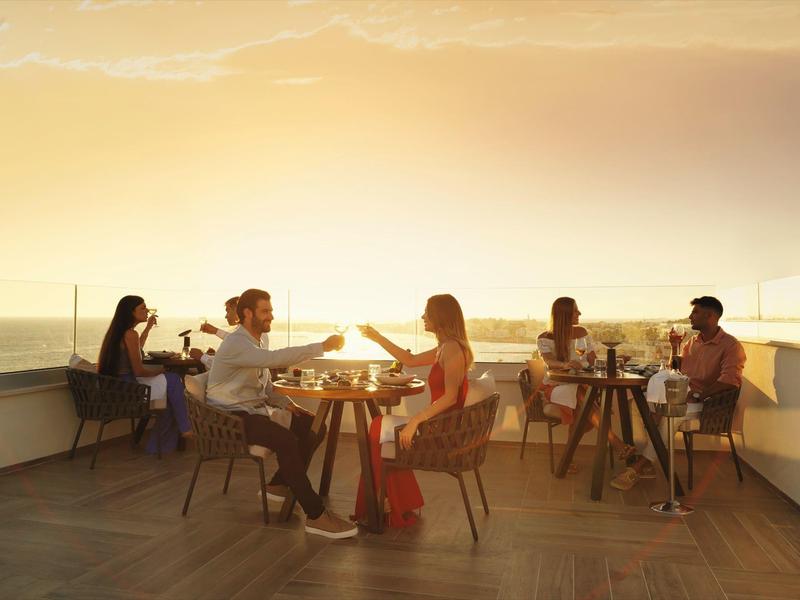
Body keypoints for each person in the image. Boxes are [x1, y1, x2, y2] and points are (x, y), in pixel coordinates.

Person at [205, 288, 357, 539]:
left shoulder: (257, 341)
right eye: (265, 311)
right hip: (227, 417)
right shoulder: (236, 342)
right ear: (247, 313)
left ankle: (278, 484)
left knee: (312, 425)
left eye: (271, 311)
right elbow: (274, 359)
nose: (271, 316)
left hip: (251, 410)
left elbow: (263, 387)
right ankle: (316, 515)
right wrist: (321, 346)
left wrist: (288, 404)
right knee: (286, 440)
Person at [355, 294, 472, 528]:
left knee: (378, 427)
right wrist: (377, 337)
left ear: (440, 316)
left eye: (427, 312)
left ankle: (382, 504)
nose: (422, 317)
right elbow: (408, 359)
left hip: (440, 433)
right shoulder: (445, 347)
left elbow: (450, 397)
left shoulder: (452, 349)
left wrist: (415, 421)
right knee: (380, 428)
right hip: (439, 425)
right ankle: (391, 502)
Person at [610, 296, 747, 490]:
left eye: (695, 312)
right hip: (682, 395)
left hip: (707, 404)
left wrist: (700, 394)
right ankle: (647, 462)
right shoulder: (693, 341)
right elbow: (675, 368)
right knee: (637, 405)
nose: (690, 316)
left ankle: (637, 468)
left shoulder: (731, 346)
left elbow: (730, 381)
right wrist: (674, 346)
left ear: (710, 316)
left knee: (670, 415)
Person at [537, 297, 635, 474]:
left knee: (581, 402)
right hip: (555, 388)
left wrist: (617, 360)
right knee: (582, 397)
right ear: (565, 314)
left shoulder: (582, 332)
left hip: (579, 388)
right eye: (575, 310)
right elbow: (549, 361)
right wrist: (565, 365)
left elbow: (594, 362)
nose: (579, 313)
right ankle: (616, 443)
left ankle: (568, 458)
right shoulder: (544, 338)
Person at [97, 295, 192, 453]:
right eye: (142, 308)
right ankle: (186, 427)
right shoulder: (130, 334)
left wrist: (147, 328)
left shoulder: (122, 333)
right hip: (130, 390)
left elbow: (136, 349)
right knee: (174, 379)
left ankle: (156, 448)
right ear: (130, 312)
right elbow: (139, 371)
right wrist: (162, 371)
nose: (147, 310)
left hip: (118, 387)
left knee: (167, 405)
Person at [189, 296, 240, 368]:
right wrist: (215, 331)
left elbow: (224, 367)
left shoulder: (243, 336)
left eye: (228, 311)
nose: (226, 316)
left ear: (236, 310)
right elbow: (234, 340)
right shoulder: (241, 334)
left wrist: (201, 356)